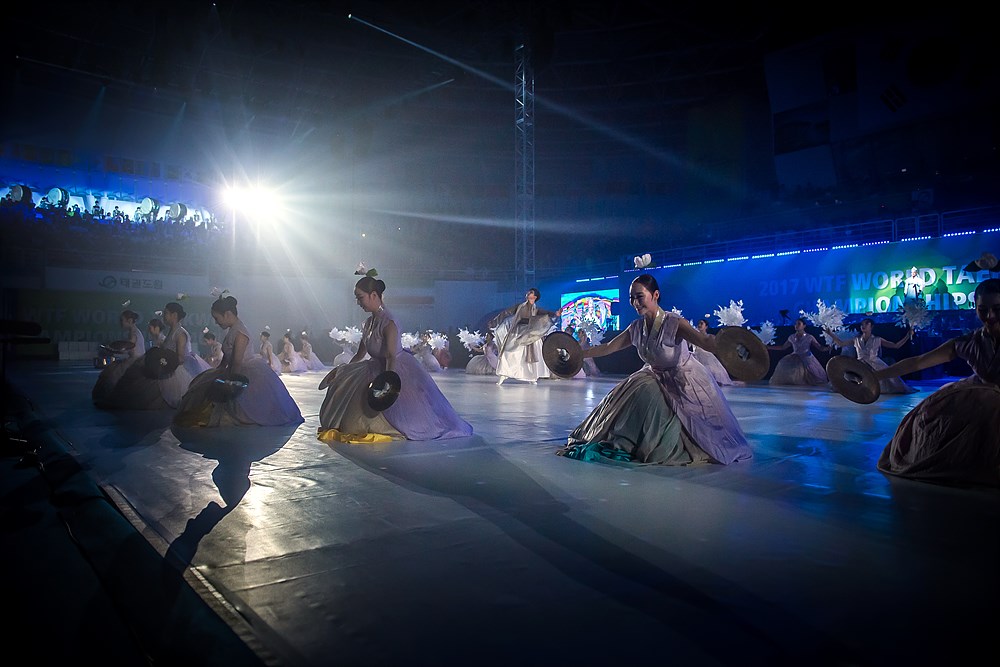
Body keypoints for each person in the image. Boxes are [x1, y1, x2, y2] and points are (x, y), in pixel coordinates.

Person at [557, 274, 752, 466]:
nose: (635, 302)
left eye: (639, 297)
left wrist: (735, 347)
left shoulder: (674, 323)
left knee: (655, 398)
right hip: (654, 375)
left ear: (655, 295)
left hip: (683, 379)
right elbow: (609, 347)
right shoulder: (636, 327)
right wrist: (579, 353)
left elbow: (705, 342)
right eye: (631, 298)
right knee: (631, 392)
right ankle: (628, 441)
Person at [873, 278, 1000, 487]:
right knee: (928, 415)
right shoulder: (968, 342)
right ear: (975, 308)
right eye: (983, 310)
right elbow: (919, 362)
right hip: (980, 394)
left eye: (997, 309)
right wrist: (875, 376)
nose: (990, 316)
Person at [317, 274, 472, 442]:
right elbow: (360, 354)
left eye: (360, 298)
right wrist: (345, 371)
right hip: (372, 367)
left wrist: (387, 384)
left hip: (394, 368)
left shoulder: (389, 322)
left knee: (398, 414)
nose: (358, 303)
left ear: (374, 295)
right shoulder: (367, 324)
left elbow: (391, 356)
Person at [173, 295, 303, 427]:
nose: (216, 322)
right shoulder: (233, 330)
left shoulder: (240, 333)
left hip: (243, 371)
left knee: (236, 408)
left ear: (227, 314)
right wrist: (217, 371)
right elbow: (227, 358)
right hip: (232, 369)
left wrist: (228, 381)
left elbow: (237, 362)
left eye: (217, 318)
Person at [823, 319, 917, 394]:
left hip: (875, 363)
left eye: (866, 323)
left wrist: (907, 336)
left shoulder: (877, 339)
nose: (863, 326)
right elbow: (841, 343)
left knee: (890, 380)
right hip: (859, 364)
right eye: (862, 324)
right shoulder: (856, 339)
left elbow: (896, 346)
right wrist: (830, 333)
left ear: (871, 326)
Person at [491, 288, 562, 385]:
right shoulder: (520, 306)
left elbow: (546, 313)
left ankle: (531, 377)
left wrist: (555, 314)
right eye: (528, 293)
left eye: (531, 293)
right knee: (509, 353)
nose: (528, 294)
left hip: (530, 334)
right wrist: (495, 321)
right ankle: (504, 374)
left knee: (530, 355)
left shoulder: (536, 309)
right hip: (518, 332)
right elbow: (506, 312)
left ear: (535, 297)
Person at [157, 301, 213, 407]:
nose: (164, 316)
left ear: (174, 315)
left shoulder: (180, 334)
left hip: (178, 371)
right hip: (170, 368)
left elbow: (180, 358)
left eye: (166, 313)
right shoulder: (172, 331)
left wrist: (166, 363)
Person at [93, 308, 148, 406]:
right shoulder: (134, 331)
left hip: (135, 361)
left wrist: (113, 349)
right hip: (135, 359)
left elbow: (128, 347)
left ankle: (110, 398)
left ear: (129, 320)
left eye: (122, 320)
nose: (120, 323)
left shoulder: (134, 333)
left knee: (113, 376)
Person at [767, 318, 830, 386]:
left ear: (804, 326)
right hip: (795, 357)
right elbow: (783, 347)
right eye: (795, 324)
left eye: (799, 324)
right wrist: (769, 347)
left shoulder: (809, 337)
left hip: (807, 358)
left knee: (815, 376)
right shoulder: (791, 337)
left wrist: (828, 348)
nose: (796, 325)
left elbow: (820, 347)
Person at [690, 319, 733, 386]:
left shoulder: (710, 336)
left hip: (707, 357)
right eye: (699, 323)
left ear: (706, 326)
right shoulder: (694, 336)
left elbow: (715, 347)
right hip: (697, 356)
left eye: (701, 323)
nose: (699, 325)